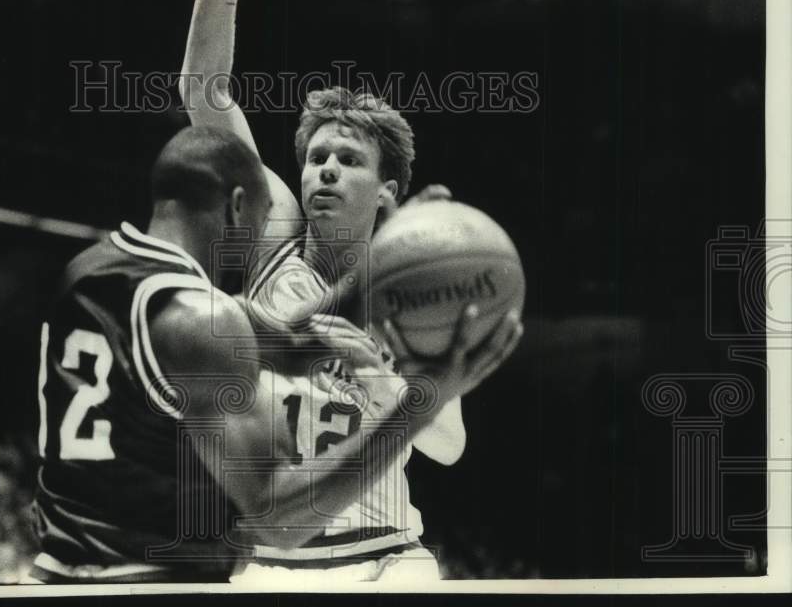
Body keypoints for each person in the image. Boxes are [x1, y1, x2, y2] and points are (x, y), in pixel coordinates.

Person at [180, 0, 524, 583]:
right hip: (271, 564)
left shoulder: (419, 295)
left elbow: (449, 448)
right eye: (315, 158)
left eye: (348, 159)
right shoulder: (271, 234)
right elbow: (203, 90)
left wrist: (380, 378)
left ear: (388, 191)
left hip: (385, 558)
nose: (326, 171)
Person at [28, 125, 494, 584]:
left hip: (58, 569)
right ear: (236, 206)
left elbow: (278, 340)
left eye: (348, 161)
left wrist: (375, 330)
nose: (263, 230)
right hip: (160, 574)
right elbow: (277, 516)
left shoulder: (88, 272)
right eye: (316, 160)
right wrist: (412, 409)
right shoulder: (205, 313)